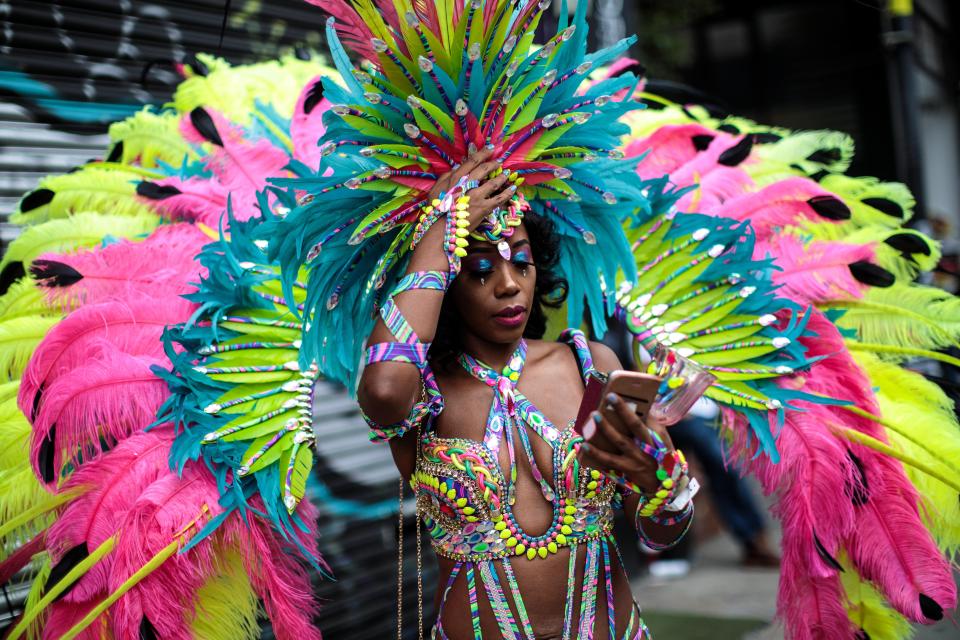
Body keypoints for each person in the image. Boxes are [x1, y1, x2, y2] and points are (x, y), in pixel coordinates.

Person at [356, 148, 697, 639]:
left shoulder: (590, 365)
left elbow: (659, 535)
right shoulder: (418, 388)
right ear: (446, 280)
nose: (509, 285)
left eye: (521, 263)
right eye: (479, 270)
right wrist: (439, 233)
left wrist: (662, 485)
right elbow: (383, 388)